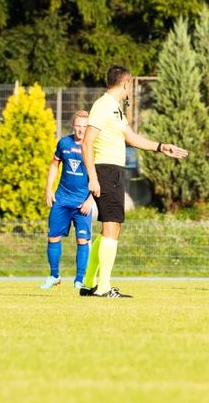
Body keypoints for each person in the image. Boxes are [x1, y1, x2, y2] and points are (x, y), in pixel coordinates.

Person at [80, 65, 188, 298]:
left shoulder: (116, 109)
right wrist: (93, 178)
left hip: (113, 172)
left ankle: (89, 284)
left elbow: (131, 137)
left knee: (111, 226)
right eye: (130, 85)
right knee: (111, 226)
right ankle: (103, 287)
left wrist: (161, 147)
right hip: (105, 171)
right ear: (126, 83)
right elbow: (87, 143)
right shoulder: (103, 105)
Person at [41, 110, 95, 290]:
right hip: (62, 200)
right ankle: (54, 276)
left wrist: (90, 200)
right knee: (53, 237)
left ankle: (79, 280)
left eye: (84, 127)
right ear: (73, 126)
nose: (81, 130)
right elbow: (54, 165)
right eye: (78, 126)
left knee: (83, 240)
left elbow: (99, 176)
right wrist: (48, 190)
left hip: (82, 203)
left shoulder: (93, 147)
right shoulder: (64, 143)